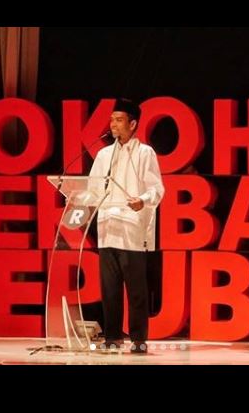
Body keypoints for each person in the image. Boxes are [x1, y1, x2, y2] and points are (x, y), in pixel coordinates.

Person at [89, 98, 165, 353]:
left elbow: (156, 189)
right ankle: (112, 337)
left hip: (132, 229)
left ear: (133, 124)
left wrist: (142, 201)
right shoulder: (103, 154)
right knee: (109, 290)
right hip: (107, 227)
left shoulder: (145, 153)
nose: (113, 124)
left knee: (136, 291)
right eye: (112, 119)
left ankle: (138, 338)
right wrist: (80, 197)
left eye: (119, 120)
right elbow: (92, 188)